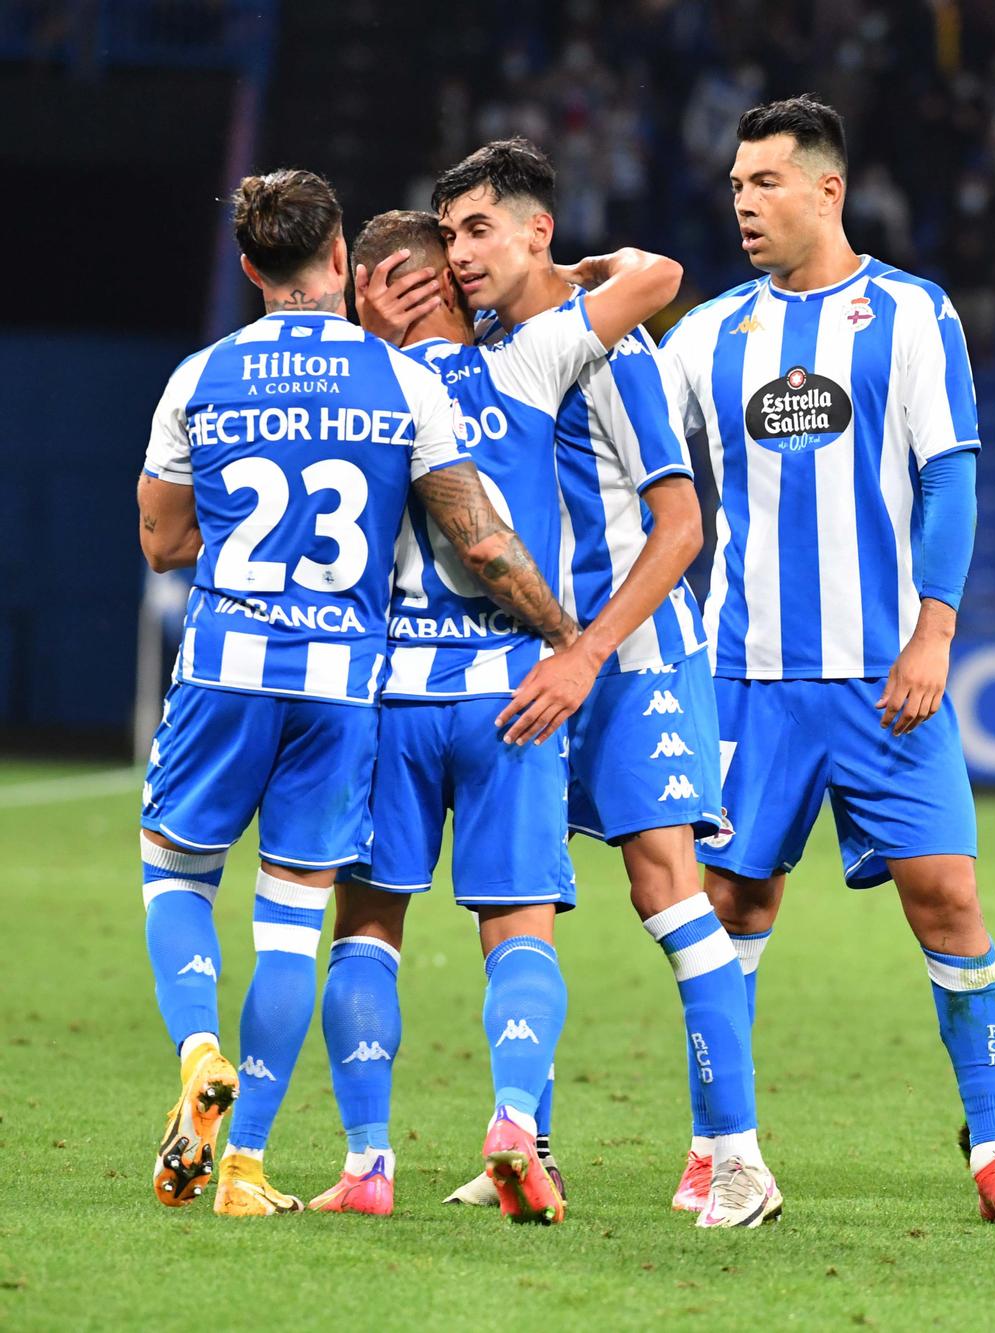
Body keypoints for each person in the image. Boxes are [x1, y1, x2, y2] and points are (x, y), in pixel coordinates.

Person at [660, 95, 995, 1225]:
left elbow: (951, 478)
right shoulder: (709, 335)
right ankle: (716, 1146)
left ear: (827, 190)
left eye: (766, 183)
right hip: (747, 675)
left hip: (887, 677)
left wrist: (935, 631)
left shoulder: (911, 314)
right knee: (732, 900)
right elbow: (631, 433)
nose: (743, 202)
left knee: (948, 898)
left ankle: (994, 1152)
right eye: (736, 185)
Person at [136, 169, 568, 1216]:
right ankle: (239, 1163)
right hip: (342, 689)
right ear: (339, 260)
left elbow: (161, 543)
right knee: (291, 922)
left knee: (177, 879)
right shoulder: (401, 384)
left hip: (227, 666)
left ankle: (200, 1049)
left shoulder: (200, 376)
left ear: (251, 267)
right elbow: (481, 540)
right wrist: (566, 635)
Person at [313, 143, 684, 1225]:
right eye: (455, 248)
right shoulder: (526, 360)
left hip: (391, 697)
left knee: (368, 926)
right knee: (519, 926)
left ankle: (367, 1164)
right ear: (443, 276)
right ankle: (517, 1122)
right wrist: (564, 266)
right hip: (511, 695)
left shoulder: (359, 385)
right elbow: (655, 275)